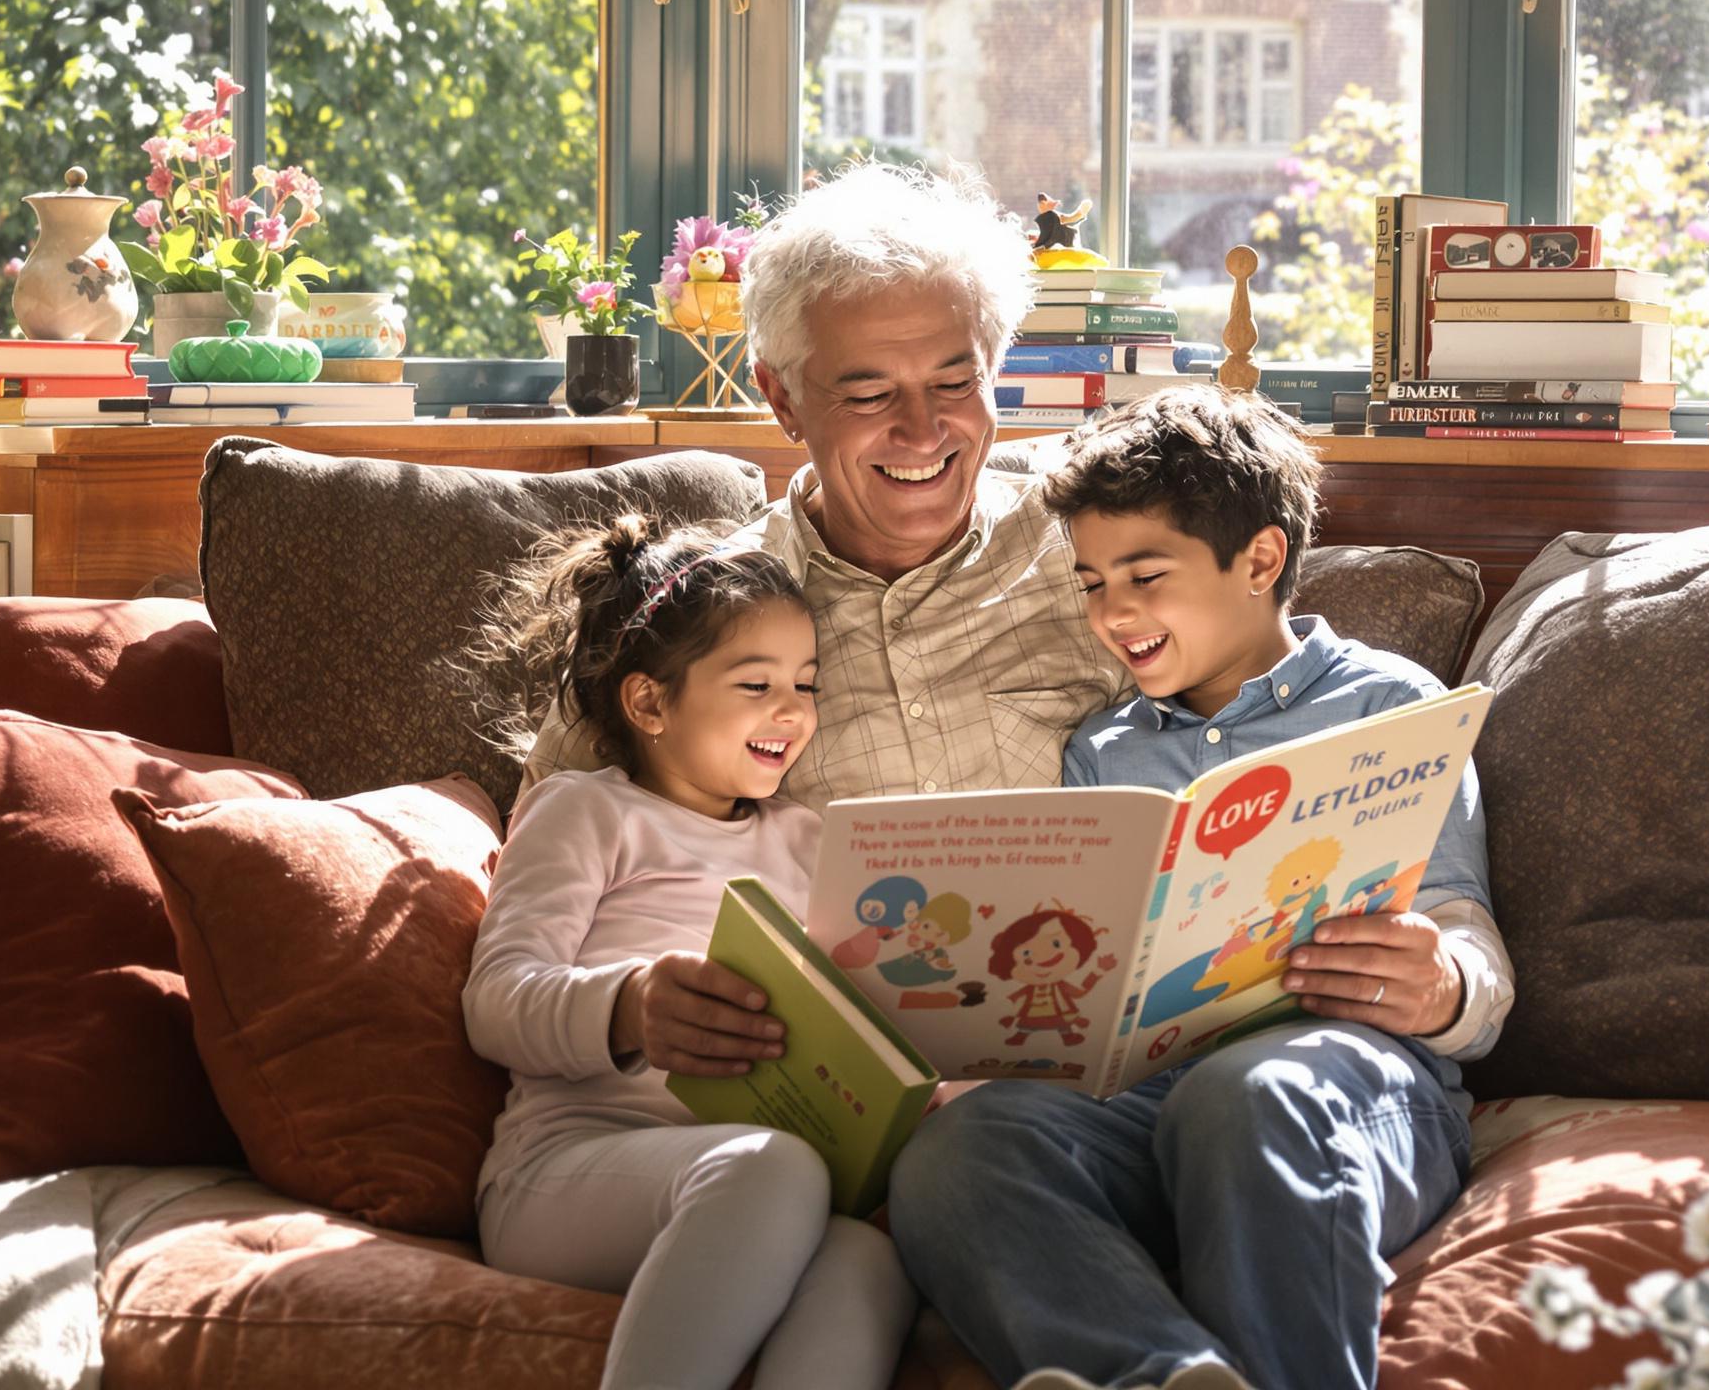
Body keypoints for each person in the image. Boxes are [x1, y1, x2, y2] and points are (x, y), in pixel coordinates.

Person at [887, 384, 1517, 1390]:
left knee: (1242, 1091)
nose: (1112, 613)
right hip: (1149, 1102)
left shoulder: (1392, 704)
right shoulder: (1103, 750)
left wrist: (1443, 984)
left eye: (1145, 574)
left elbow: (1473, 954)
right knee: (956, 1154)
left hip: (1347, 1096)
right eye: (1092, 582)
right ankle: (1159, 1372)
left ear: (1259, 560)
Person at [461, 515, 915, 1390]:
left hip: (765, 1174)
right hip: (568, 1167)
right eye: (755, 684)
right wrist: (628, 1005)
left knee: (869, 1259)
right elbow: (497, 1000)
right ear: (650, 703)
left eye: (805, 684)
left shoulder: (810, 842)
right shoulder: (585, 811)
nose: (791, 711)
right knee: (772, 1170)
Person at [522, 161, 1130, 811]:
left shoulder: (1101, 553)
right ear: (783, 399)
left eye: (955, 384)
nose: (922, 433)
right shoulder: (689, 613)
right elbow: (545, 824)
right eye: (870, 395)